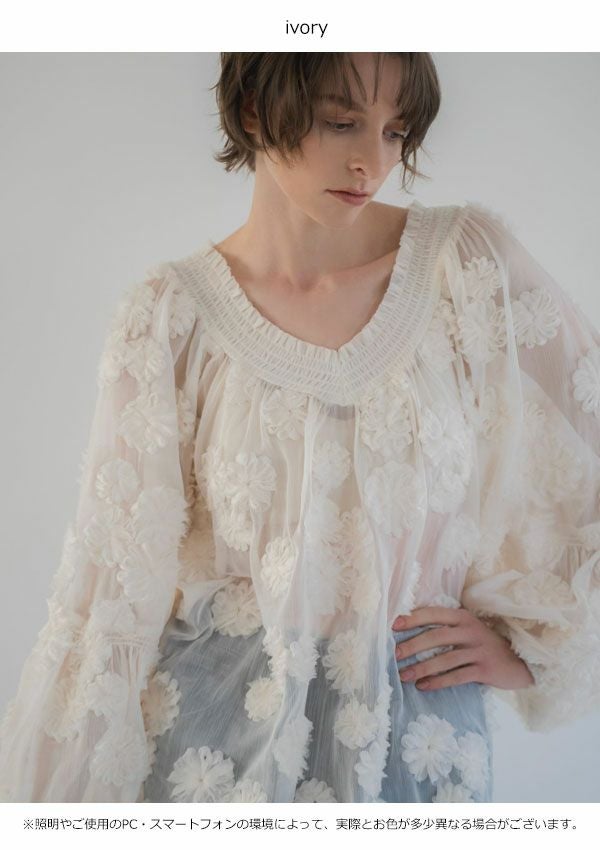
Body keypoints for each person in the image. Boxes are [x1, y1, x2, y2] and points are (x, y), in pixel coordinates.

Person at [0, 52, 599, 804]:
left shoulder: (467, 268)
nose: (372, 160)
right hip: (209, 757)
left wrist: (534, 652)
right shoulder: (169, 316)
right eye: (341, 122)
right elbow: (108, 593)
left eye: (395, 131)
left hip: (415, 747)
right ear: (256, 110)